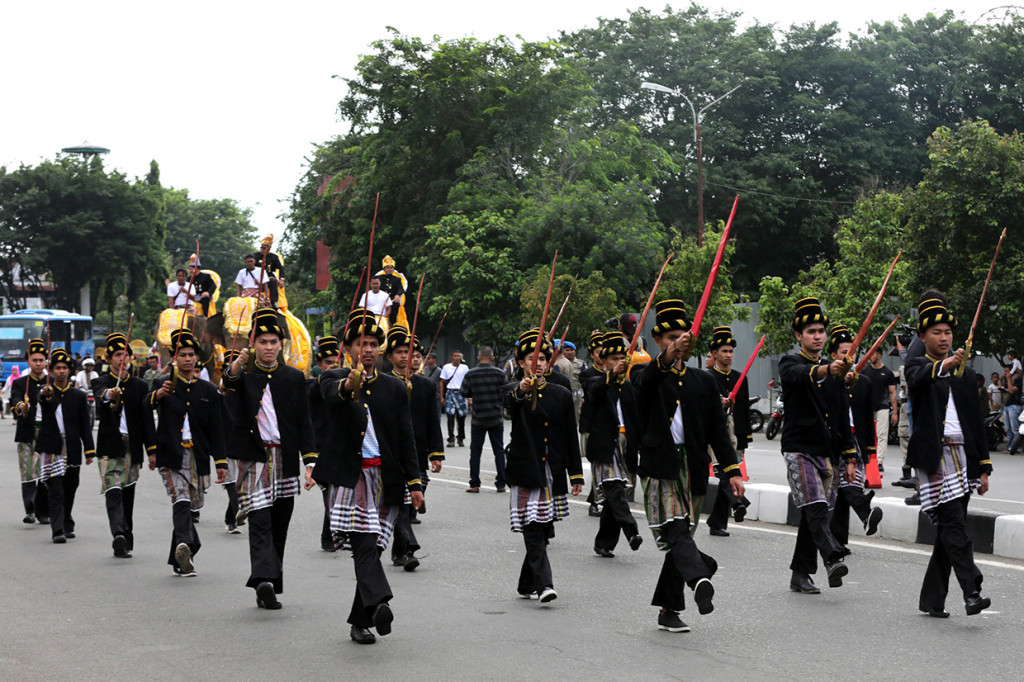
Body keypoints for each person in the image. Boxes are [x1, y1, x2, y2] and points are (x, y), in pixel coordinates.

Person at [632, 300, 744, 633]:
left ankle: (669, 609)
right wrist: (669, 355)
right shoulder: (644, 374)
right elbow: (647, 381)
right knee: (676, 529)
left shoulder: (703, 381)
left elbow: (717, 432)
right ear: (658, 341)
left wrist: (732, 471)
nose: (678, 343)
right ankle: (699, 576)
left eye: (683, 338)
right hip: (660, 466)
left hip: (694, 466)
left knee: (680, 542)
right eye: (670, 338)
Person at [315, 308, 423, 644]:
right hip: (351, 477)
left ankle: (361, 620)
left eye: (375, 344)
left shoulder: (394, 388)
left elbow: (406, 437)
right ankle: (378, 601)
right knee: (363, 541)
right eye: (362, 343)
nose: (369, 349)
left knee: (373, 549)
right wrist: (350, 384)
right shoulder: (332, 378)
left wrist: (415, 482)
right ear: (348, 349)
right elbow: (333, 394)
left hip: (386, 477)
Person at [224, 308, 316, 609]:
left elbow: (304, 422)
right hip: (254, 458)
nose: (268, 347)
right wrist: (238, 362)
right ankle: (263, 579)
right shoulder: (244, 374)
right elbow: (229, 383)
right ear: (254, 344)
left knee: (280, 523)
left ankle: (271, 582)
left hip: (284, 458)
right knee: (260, 519)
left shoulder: (293, 377)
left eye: (273, 341)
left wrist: (310, 462)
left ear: (280, 344)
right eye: (262, 342)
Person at [906, 298, 993, 617]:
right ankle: (972, 591)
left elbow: (976, 425)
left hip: (963, 457)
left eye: (947, 333)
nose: (944, 338)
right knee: (954, 525)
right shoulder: (917, 367)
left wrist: (983, 467)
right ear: (923, 337)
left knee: (949, 531)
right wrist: (946, 365)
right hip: (934, 457)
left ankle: (932, 599)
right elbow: (921, 377)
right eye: (936, 333)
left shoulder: (966, 375)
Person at [779, 297, 856, 595]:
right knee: (814, 506)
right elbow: (801, 375)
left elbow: (841, 416)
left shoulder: (833, 371)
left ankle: (800, 574)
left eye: (821, 331)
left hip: (826, 450)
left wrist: (849, 455)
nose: (818, 336)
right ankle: (833, 557)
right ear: (799, 336)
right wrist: (827, 371)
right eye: (811, 331)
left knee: (817, 513)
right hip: (799, 447)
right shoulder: (790, 363)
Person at [504, 328, 584, 604]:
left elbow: (570, 436)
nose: (537, 363)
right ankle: (544, 584)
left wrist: (576, 474)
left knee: (544, 529)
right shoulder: (514, 389)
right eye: (531, 358)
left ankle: (526, 582)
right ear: (521, 362)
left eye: (542, 358)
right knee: (533, 525)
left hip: (553, 470)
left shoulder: (560, 392)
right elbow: (509, 403)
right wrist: (522, 390)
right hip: (526, 469)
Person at [148, 328, 226, 577]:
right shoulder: (164, 384)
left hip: (198, 456)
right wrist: (158, 395)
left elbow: (216, 429)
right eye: (182, 355)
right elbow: (145, 404)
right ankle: (185, 544)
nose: (187, 359)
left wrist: (221, 462)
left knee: (191, 505)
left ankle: (183, 554)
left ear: (197, 358)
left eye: (191, 354)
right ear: (174, 358)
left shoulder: (208, 391)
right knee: (180, 499)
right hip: (171, 454)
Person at [92, 333, 157, 557]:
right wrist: (110, 394)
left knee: (128, 494)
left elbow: (147, 421)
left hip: (133, 447)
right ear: (109, 359)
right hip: (110, 446)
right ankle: (118, 533)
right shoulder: (101, 382)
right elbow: (101, 394)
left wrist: (152, 451)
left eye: (125, 354)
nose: (122, 359)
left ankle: (126, 540)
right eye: (118, 355)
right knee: (112, 490)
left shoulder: (139, 386)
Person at [579, 331, 642, 558]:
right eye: (614, 359)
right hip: (605, 444)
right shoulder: (593, 381)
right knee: (613, 488)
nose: (619, 363)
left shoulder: (629, 387)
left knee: (616, 496)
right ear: (603, 361)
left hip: (626, 445)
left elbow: (636, 419)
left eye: (622, 358)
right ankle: (632, 530)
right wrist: (611, 375)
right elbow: (594, 391)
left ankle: (604, 543)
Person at [385, 326, 443, 569]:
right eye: (399, 352)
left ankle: (399, 552)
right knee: (400, 503)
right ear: (390, 356)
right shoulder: (383, 383)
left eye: (409, 352)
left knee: (408, 505)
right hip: (389, 453)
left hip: (416, 453)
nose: (405, 356)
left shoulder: (426, 385)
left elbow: (433, 421)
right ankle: (409, 549)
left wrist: (436, 454)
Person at [826, 325, 883, 551]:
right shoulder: (825, 379)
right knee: (841, 487)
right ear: (833, 355)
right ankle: (864, 510)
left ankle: (839, 540)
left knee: (847, 487)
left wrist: (870, 449)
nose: (849, 358)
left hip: (855, 442)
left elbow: (868, 418)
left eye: (852, 353)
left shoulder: (864, 382)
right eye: (844, 353)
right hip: (833, 441)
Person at [36, 348, 95, 543]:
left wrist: (89, 450)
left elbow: (85, 425)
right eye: (57, 368)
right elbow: (42, 398)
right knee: (56, 490)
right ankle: (58, 529)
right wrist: (45, 394)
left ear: (69, 370)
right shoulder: (46, 392)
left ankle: (67, 520)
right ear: (51, 371)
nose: (61, 371)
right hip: (52, 448)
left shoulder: (78, 396)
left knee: (70, 487)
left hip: (72, 448)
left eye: (64, 368)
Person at [704, 326, 752, 537]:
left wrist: (744, 437)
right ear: (715, 353)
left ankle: (717, 522)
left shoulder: (740, 378)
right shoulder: (707, 377)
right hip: (715, 432)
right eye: (724, 351)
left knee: (729, 472)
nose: (729, 355)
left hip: (734, 432)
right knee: (725, 472)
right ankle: (738, 502)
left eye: (731, 351)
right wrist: (718, 402)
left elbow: (744, 410)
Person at [10, 340, 50, 525]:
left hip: (47, 433)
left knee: (45, 472)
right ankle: (30, 510)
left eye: (41, 360)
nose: (38, 363)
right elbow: (15, 399)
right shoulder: (20, 383)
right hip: (26, 432)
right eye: (34, 360)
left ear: (46, 361)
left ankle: (43, 511)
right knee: (27, 471)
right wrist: (21, 406)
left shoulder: (51, 382)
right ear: (28, 361)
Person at [307, 337, 341, 551]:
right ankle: (331, 536)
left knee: (337, 492)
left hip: (340, 446)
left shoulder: (344, 385)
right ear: (319, 364)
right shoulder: (311, 387)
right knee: (328, 492)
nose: (331, 367)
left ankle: (330, 536)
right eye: (328, 363)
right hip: (319, 448)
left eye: (335, 363)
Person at [460, 346, 506, 493]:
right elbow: (506, 392)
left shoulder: (471, 374)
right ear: (492, 358)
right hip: (496, 417)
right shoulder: (500, 374)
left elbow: (464, 392)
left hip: (478, 418)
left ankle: (474, 483)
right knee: (499, 451)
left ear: (478, 358)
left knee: (475, 452)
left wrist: (474, 394)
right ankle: (501, 483)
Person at [579, 330, 606, 517]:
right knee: (596, 463)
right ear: (591, 355)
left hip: (609, 425)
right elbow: (593, 388)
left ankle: (597, 500)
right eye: (598, 352)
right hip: (591, 424)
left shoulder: (615, 373)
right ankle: (594, 500)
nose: (602, 356)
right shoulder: (587, 374)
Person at [861, 348, 898, 473]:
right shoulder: (865, 371)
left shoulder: (888, 373)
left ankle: (880, 460)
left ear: (879, 356)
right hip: (867, 407)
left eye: (872, 355)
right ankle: (866, 458)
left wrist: (895, 412)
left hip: (883, 406)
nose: (870, 357)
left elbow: (892, 392)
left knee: (882, 434)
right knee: (867, 433)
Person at [440, 351, 469, 447]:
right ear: (451, 357)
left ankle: (460, 438)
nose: (457, 358)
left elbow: (468, 382)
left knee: (461, 418)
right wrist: (442, 397)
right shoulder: (446, 367)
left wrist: (469, 397)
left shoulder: (464, 368)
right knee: (450, 416)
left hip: (461, 393)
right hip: (450, 393)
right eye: (455, 356)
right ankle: (451, 438)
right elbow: (442, 382)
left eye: (458, 356)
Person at [251, 234, 284, 310]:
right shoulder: (255, 256)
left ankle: (274, 302)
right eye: (261, 247)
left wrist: (281, 279)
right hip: (256, 279)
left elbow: (281, 269)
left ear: (269, 248)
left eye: (264, 248)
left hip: (268, 278)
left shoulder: (274, 257)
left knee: (273, 281)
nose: (262, 250)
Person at [375, 256, 406, 327]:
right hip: (381, 299)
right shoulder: (378, 278)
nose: (390, 269)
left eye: (391, 268)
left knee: (396, 304)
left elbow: (401, 289)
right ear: (384, 269)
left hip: (392, 299)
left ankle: (392, 323)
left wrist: (397, 295)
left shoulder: (397, 279)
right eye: (387, 268)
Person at [1002, 364, 1022, 454]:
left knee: (1015, 428)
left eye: (1006, 371)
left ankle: (1018, 448)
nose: (1005, 373)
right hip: (1007, 405)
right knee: (1008, 428)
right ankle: (1010, 447)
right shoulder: (1008, 379)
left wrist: (1009, 378)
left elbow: (1012, 390)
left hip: (1014, 405)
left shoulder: (1017, 379)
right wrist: (1002, 380)